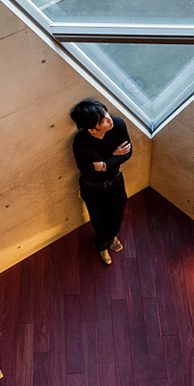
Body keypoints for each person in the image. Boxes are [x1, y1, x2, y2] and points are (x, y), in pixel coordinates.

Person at [70, 99, 132, 265]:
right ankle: (105, 242)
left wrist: (104, 164)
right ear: (92, 129)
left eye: (106, 113)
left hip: (115, 182)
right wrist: (114, 156)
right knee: (98, 220)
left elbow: (127, 152)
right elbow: (88, 170)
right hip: (93, 189)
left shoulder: (118, 124)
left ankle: (103, 242)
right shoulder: (81, 143)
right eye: (103, 120)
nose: (109, 118)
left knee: (117, 216)